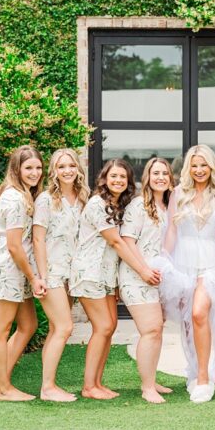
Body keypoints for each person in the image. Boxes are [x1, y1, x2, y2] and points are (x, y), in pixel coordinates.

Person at [71, 159, 160, 400]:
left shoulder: (118, 204)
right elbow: (116, 242)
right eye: (114, 176)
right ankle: (89, 386)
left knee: (109, 327)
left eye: (123, 177)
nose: (118, 180)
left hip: (106, 274)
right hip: (90, 272)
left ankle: (97, 383)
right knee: (103, 327)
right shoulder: (97, 204)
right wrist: (142, 270)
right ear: (104, 179)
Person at [159, 144, 215, 402]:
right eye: (194, 165)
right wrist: (165, 261)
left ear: (211, 167)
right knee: (188, 323)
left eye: (203, 165)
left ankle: (205, 378)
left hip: (210, 263)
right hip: (182, 263)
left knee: (198, 314)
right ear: (187, 168)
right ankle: (194, 371)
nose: (199, 170)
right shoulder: (177, 194)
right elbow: (172, 231)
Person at [0, 145, 46, 401]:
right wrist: (33, 277)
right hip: (6, 270)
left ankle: (2, 381)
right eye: (29, 168)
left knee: (28, 325)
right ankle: (4, 389)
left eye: (39, 167)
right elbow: (14, 245)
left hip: (18, 271)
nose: (35, 173)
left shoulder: (23, 195)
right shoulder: (15, 198)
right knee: (0, 329)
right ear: (17, 169)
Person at [32, 148, 88, 402]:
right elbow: (38, 238)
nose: (67, 171)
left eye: (71, 166)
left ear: (78, 168)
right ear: (54, 171)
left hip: (72, 273)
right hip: (51, 271)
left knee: (57, 328)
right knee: (65, 327)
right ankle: (47, 388)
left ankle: (49, 384)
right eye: (61, 166)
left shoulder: (84, 197)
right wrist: (41, 276)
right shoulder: (46, 199)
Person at [118, 157, 176, 404]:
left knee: (157, 329)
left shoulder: (169, 207)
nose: (161, 177)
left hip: (159, 277)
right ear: (147, 178)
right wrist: (142, 270)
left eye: (165, 173)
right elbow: (127, 242)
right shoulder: (138, 206)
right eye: (156, 173)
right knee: (150, 329)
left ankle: (152, 379)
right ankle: (146, 387)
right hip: (136, 276)